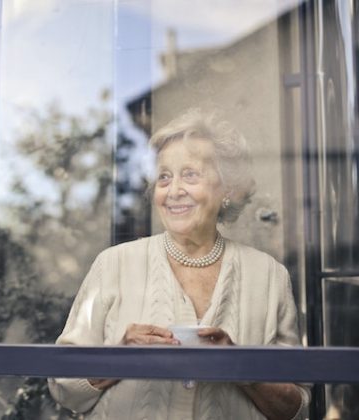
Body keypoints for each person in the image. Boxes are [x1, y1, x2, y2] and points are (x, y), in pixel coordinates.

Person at [48, 109, 310, 419]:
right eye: (164, 177)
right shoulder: (113, 264)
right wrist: (121, 355)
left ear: (227, 188)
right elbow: (63, 385)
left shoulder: (269, 277)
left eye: (190, 175)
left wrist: (240, 366)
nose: (173, 191)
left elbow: (296, 408)